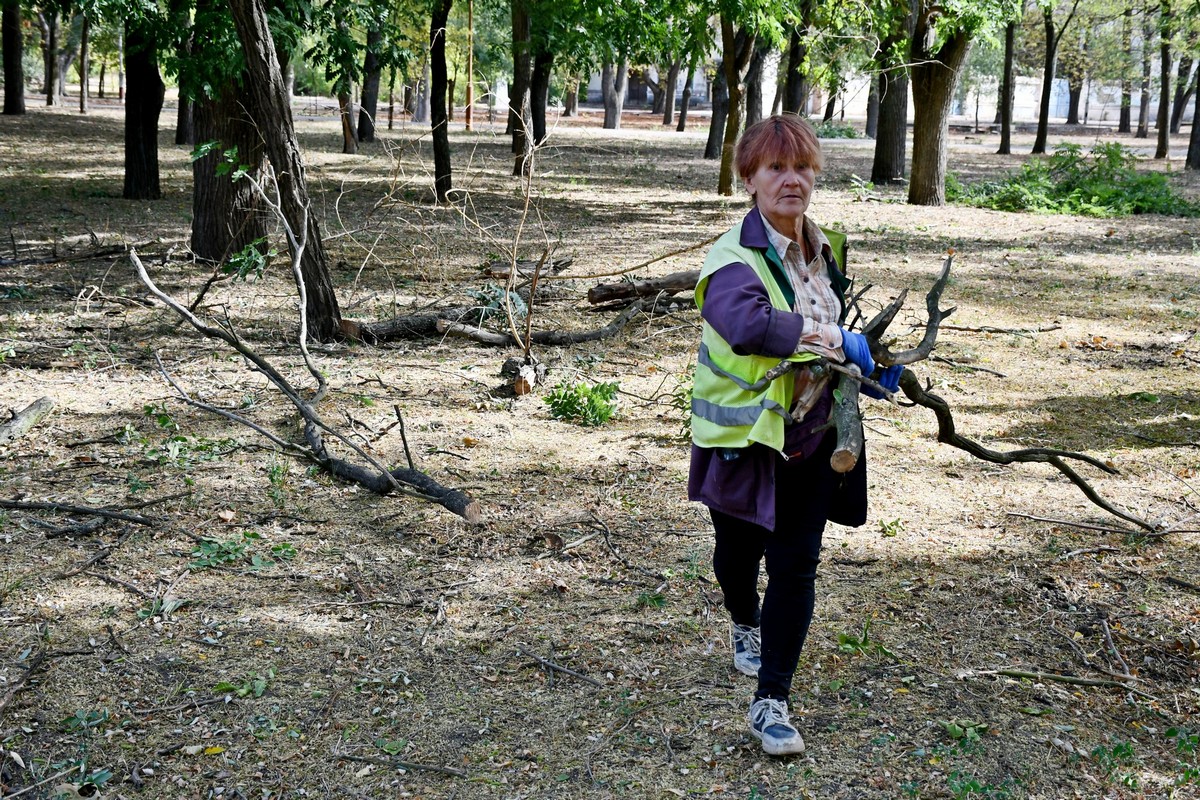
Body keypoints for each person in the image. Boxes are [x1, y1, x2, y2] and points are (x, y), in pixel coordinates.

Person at [688, 114, 903, 756]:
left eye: (803, 167)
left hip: (810, 439)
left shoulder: (823, 247)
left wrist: (869, 370)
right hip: (745, 442)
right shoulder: (731, 258)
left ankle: (771, 701)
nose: (791, 180)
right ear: (748, 179)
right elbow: (748, 327)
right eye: (775, 168)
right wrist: (841, 340)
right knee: (738, 556)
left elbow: (836, 332)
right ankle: (742, 622)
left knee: (796, 566)